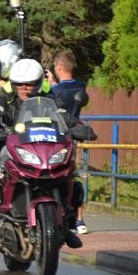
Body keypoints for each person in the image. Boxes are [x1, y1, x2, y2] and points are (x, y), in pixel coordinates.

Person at [0, 56, 83, 249]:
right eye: (19, 84)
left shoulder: (50, 97)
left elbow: (63, 114)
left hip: (43, 148)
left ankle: (68, 223)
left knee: (69, 171)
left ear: (38, 83)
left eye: (29, 84)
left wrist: (78, 127)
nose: (24, 88)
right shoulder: (5, 97)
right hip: (11, 148)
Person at [51, 50, 88, 234]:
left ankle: (66, 212)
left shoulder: (56, 91)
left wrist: (52, 86)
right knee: (72, 173)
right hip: (73, 134)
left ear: (58, 67)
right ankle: (78, 218)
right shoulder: (80, 85)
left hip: (58, 136)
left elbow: (54, 105)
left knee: (61, 175)